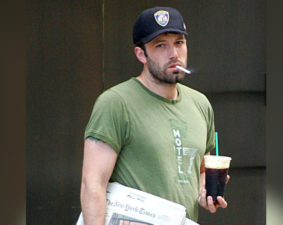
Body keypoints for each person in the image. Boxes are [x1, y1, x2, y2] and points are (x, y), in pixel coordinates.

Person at [80, 6, 229, 224]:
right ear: (141, 54)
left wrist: (205, 189)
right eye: (161, 45)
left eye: (179, 42)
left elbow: (200, 169)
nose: (174, 54)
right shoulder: (116, 103)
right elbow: (92, 184)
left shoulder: (200, 104)